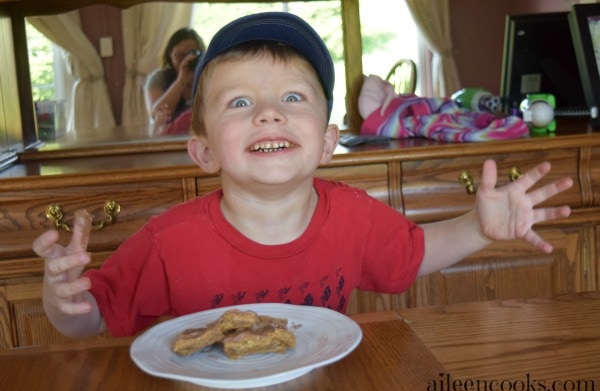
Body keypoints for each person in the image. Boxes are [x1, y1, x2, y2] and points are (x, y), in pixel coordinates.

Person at [34, 12, 574, 340]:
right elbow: (94, 318)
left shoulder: (355, 215)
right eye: (241, 101)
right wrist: (66, 302)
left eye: (292, 98)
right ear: (202, 152)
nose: (269, 113)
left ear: (327, 142)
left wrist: (480, 227)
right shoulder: (166, 243)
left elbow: (412, 254)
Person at [145, 28, 206, 133]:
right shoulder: (159, 78)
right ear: (170, 56)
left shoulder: (208, 76)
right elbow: (156, 115)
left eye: (193, 54)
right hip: (169, 138)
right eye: (181, 55)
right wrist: (181, 80)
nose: (187, 59)